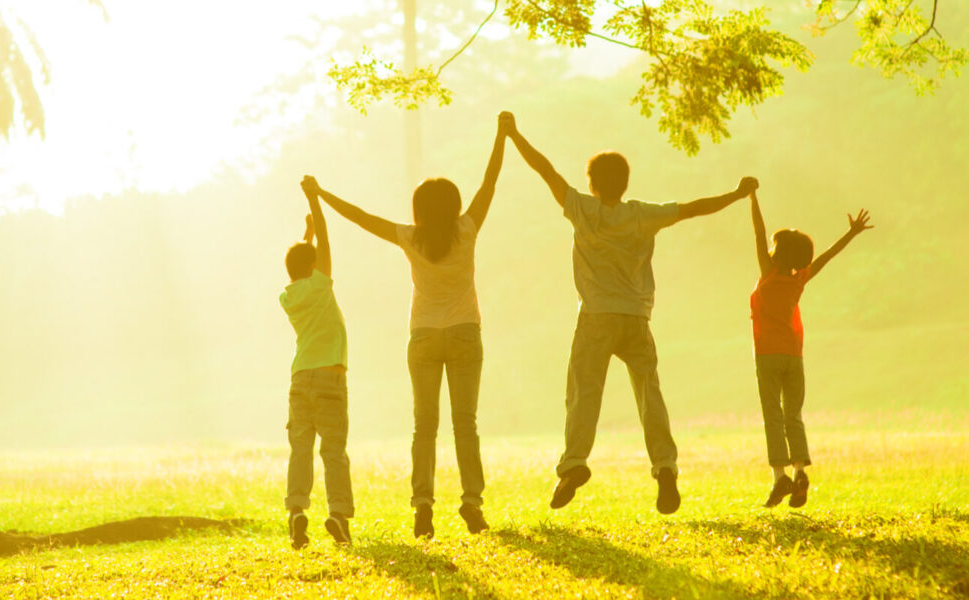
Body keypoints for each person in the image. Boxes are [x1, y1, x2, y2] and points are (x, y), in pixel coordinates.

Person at [502, 112, 758, 515]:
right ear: (625, 184)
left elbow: (545, 170)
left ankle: (573, 464)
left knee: (584, 393)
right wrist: (737, 194)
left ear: (592, 183)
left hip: (596, 318)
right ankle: (665, 465)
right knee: (649, 393)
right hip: (636, 318)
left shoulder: (580, 209)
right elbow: (694, 208)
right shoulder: (642, 215)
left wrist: (514, 134)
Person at [304, 113, 510, 539]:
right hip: (465, 333)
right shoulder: (467, 229)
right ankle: (472, 504)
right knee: (465, 422)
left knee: (424, 426)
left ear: (418, 210)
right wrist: (501, 135)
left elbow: (361, 217)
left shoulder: (409, 237)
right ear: (454, 206)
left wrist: (320, 195)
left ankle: (422, 507)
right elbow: (489, 184)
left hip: (423, 338)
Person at [748, 191, 873, 508]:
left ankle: (780, 478)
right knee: (794, 416)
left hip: (767, 356)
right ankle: (800, 470)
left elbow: (759, 232)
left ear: (776, 254)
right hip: (794, 355)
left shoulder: (768, 273)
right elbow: (828, 255)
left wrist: (751, 196)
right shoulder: (800, 278)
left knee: (773, 417)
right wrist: (852, 232)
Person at [282, 177, 354, 548]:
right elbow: (325, 243)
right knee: (333, 451)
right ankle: (339, 515)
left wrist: (304, 236)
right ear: (316, 267)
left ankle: (297, 511)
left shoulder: (290, 295)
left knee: (301, 449)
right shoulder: (322, 285)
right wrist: (315, 202)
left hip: (300, 380)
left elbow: (302, 263)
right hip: (329, 379)